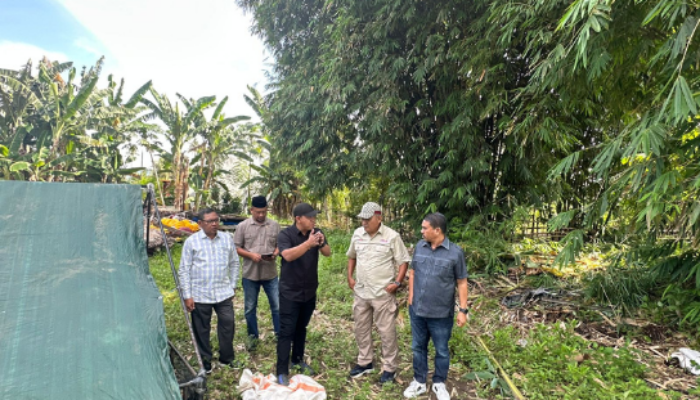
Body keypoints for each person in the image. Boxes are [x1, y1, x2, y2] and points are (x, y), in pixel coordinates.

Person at [404, 212, 468, 400]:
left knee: (441, 350)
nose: (421, 231)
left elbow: (462, 282)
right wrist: (411, 298)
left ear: (437, 230)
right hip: (418, 310)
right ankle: (420, 382)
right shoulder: (420, 247)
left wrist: (463, 310)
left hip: (441, 314)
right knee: (418, 347)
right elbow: (413, 272)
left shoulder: (455, 253)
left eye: (425, 228)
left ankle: (439, 383)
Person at [346, 202, 410, 384]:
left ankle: (389, 368)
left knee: (386, 331)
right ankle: (365, 362)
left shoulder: (392, 236)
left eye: (367, 219)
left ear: (379, 218)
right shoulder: (358, 234)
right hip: (361, 291)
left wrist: (397, 282)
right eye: (362, 219)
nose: (364, 222)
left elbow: (403, 261)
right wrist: (350, 276)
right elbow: (352, 256)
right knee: (361, 327)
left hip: (382, 293)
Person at [275, 203, 332, 386]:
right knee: (286, 331)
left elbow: (328, 253)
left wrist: (321, 242)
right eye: (310, 217)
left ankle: (297, 360)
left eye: (314, 216)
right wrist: (308, 244)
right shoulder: (286, 235)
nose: (313, 219)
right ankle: (282, 370)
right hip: (290, 292)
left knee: (301, 328)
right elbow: (288, 256)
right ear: (298, 218)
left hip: (309, 291)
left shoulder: (317, 232)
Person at [178, 208, 240, 373]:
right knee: (201, 329)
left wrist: (233, 284)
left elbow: (234, 263)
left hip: (223, 292)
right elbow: (184, 270)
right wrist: (187, 295)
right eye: (210, 221)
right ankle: (205, 363)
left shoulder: (226, 239)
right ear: (200, 224)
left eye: (216, 220)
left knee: (228, 325)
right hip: (200, 294)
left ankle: (227, 358)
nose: (214, 224)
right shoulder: (192, 242)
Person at [233, 195, 281, 350]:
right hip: (250, 274)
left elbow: (280, 244)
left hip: (270, 273)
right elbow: (236, 247)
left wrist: (275, 253)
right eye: (258, 212)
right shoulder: (243, 226)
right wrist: (251, 255)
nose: (261, 215)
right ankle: (253, 338)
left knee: (278, 306)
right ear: (251, 210)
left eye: (264, 212)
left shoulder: (274, 225)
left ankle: (280, 334)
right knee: (249, 308)